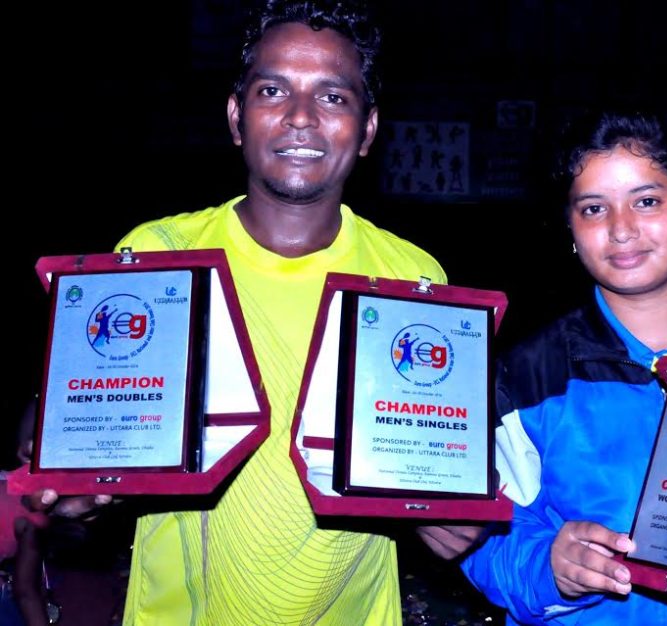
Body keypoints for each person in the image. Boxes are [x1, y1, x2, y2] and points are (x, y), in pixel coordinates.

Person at [29, 1, 478, 623]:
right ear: (237, 116)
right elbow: (79, 426)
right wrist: (73, 477)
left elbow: (429, 468)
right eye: (274, 90)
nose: (300, 118)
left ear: (369, 129)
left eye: (332, 97)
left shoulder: (414, 277)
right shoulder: (160, 257)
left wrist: (444, 514)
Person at [460, 109, 667, 625]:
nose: (622, 230)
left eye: (646, 201)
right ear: (571, 227)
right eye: (594, 209)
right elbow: (479, 538)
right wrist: (549, 570)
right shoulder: (526, 377)